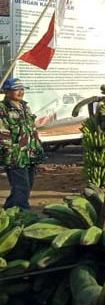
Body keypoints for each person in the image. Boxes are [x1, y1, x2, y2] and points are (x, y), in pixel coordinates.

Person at [0, 78, 44, 209]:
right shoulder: (3, 109)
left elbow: (31, 129)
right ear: (7, 92)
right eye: (16, 89)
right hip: (15, 155)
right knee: (21, 186)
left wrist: (37, 147)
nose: (20, 92)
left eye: (22, 89)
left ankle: (9, 210)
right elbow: (2, 132)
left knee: (26, 185)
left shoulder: (25, 107)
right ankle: (22, 215)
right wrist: (10, 149)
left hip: (30, 154)